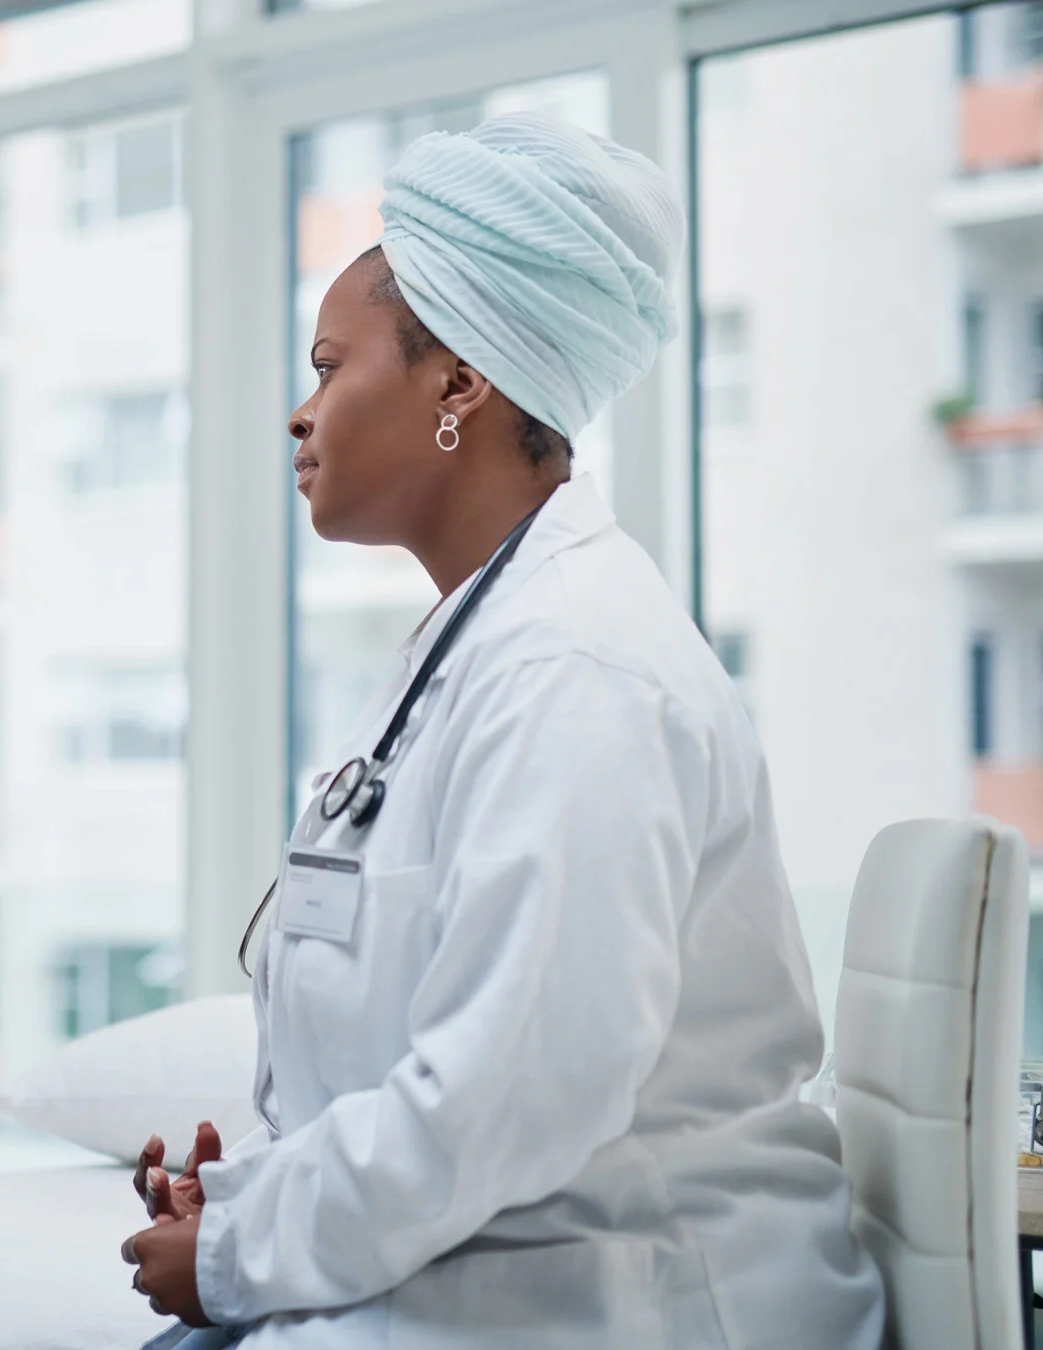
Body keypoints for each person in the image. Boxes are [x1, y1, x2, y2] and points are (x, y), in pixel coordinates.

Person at [119, 115, 883, 1348]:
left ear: (460, 384)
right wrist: (250, 1198)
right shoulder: (480, 642)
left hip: (624, 1293)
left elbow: (510, 1097)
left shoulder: (575, 672)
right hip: (499, 1258)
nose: (302, 415)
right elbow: (426, 1060)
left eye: (330, 366)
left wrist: (241, 1248)